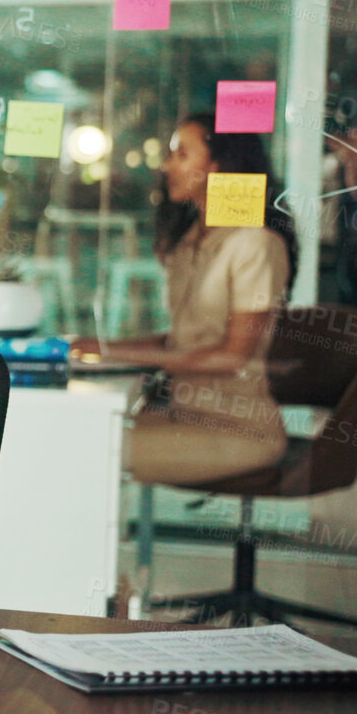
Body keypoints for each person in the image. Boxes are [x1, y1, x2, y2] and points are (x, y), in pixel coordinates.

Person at [70, 113, 296, 484]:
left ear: (218, 167)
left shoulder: (254, 244)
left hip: (238, 428)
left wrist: (111, 353)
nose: (166, 165)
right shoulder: (192, 240)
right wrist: (98, 346)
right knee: (71, 429)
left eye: (181, 154)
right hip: (182, 413)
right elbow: (182, 341)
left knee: (88, 446)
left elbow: (232, 355)